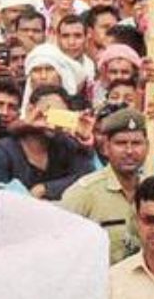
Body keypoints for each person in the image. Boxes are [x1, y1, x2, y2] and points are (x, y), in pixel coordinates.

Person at [60, 107, 146, 264]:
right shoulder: (84, 193)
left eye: (136, 143)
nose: (129, 151)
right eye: (121, 143)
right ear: (106, 147)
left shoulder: (150, 190)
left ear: (147, 146)